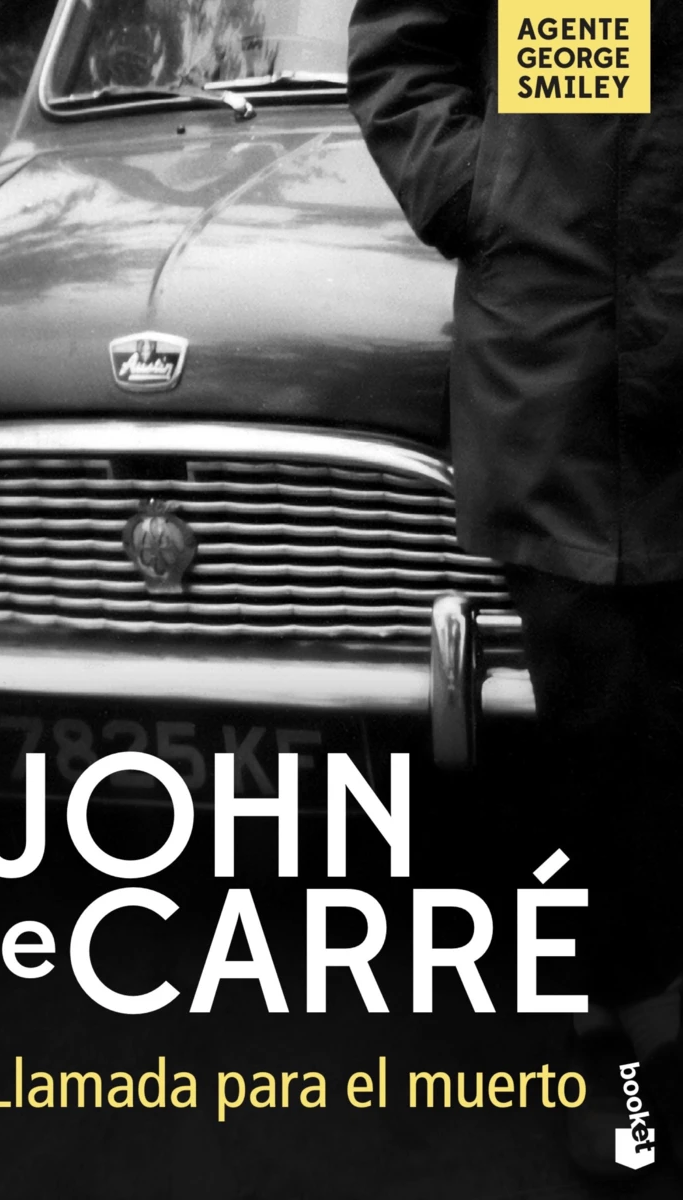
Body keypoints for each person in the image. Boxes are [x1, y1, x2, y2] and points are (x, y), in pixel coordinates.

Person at [347, 0, 683, 1179]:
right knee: (602, 722)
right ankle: (628, 1037)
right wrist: (489, 187)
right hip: (565, 349)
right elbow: (403, 51)